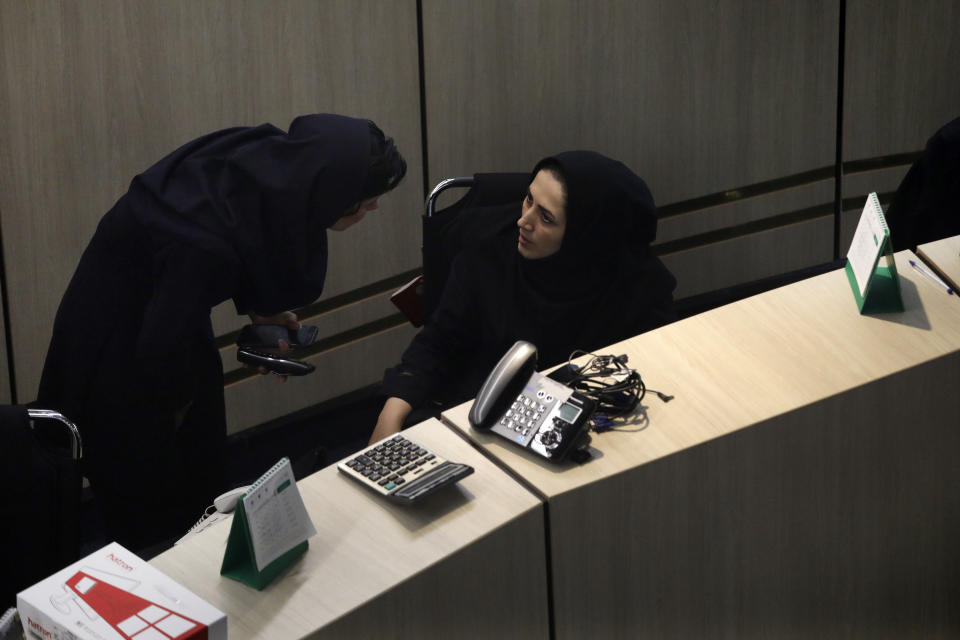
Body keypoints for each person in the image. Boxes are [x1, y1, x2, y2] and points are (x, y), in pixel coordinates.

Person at [36, 113, 406, 552]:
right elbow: (159, 351)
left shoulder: (264, 160)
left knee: (201, 473)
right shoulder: (201, 248)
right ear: (327, 193)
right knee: (159, 506)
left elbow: (244, 229)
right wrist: (177, 414)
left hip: (164, 315)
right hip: (117, 357)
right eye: (365, 200)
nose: (372, 209)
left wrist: (258, 311)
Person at [369, 150, 676, 444]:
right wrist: (389, 418)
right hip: (481, 410)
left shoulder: (639, 282)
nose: (523, 221)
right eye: (528, 199)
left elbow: (648, 369)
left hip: (590, 424)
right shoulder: (488, 250)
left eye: (546, 218)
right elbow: (437, 344)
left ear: (586, 235)